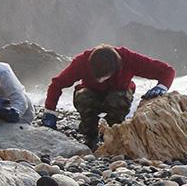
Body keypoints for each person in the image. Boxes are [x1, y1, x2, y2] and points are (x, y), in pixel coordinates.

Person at [42, 44, 176, 150]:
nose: (100, 80)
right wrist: (50, 111)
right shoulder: (82, 61)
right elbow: (57, 83)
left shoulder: (129, 59)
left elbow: (167, 71)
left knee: (117, 99)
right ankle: (90, 135)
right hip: (91, 94)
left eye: (104, 76)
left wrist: (161, 87)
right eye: (97, 76)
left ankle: (115, 132)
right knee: (84, 97)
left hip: (119, 94)